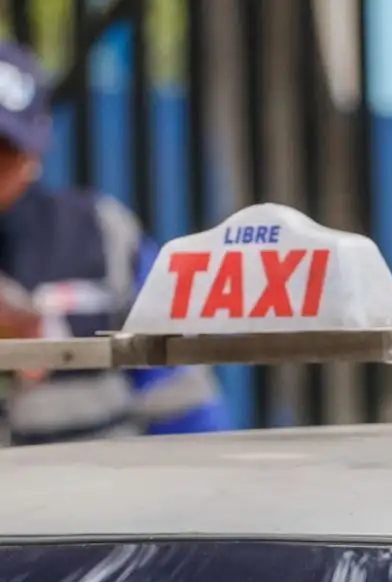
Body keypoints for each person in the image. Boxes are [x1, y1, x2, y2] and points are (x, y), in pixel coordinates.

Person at [0, 41, 230, 444]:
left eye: (3, 149)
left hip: (101, 491)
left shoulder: (101, 232)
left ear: (34, 149)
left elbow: (179, 394)